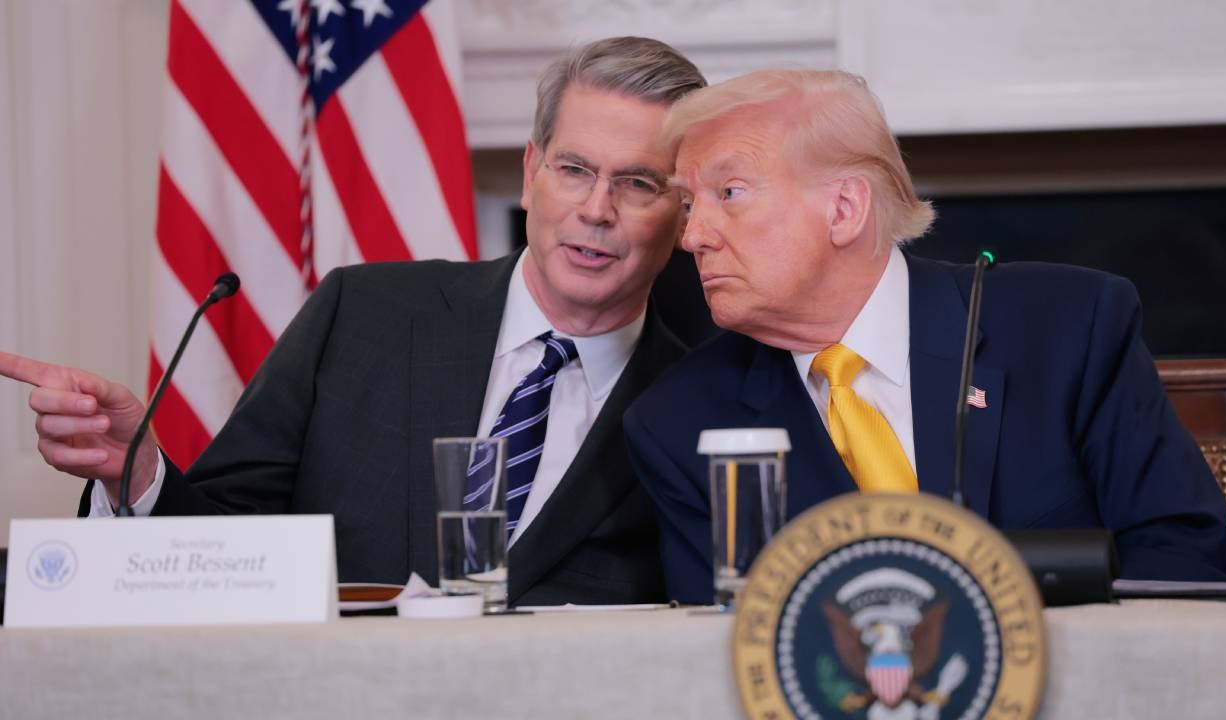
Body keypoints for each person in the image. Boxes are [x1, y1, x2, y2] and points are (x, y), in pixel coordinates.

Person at [0, 37, 707, 606]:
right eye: (574, 169)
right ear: (531, 173)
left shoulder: (700, 405)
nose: (596, 209)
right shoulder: (362, 315)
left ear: (683, 215)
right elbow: (223, 543)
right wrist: (138, 472)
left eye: (637, 183)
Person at [622, 69, 1226, 604]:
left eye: (729, 193)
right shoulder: (679, 422)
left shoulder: (1068, 329)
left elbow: (1183, 567)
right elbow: (716, 649)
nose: (692, 236)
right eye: (688, 205)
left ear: (844, 209)